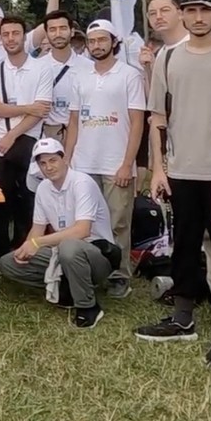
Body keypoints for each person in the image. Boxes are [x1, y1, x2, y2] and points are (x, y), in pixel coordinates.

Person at [135, 0, 211, 366]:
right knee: (184, 244)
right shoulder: (168, 58)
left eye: (206, 10)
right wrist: (158, 168)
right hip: (182, 169)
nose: (199, 17)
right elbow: (158, 119)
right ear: (183, 14)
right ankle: (183, 316)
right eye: (192, 10)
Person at [0, 138, 117, 328]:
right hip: (60, 252)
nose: (48, 167)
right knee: (8, 262)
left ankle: (88, 307)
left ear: (64, 159)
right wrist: (26, 249)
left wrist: (37, 244)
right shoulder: (44, 188)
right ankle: (66, 288)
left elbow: (82, 230)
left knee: (68, 247)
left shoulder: (82, 183)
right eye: (42, 163)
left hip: (97, 253)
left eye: (53, 160)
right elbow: (37, 230)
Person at [63, 20, 144, 299]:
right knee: (86, 222)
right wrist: (68, 160)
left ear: (113, 42)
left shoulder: (129, 75)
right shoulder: (80, 76)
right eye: (92, 41)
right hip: (84, 163)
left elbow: (137, 123)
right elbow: (73, 122)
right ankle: (91, 270)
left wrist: (127, 163)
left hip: (115, 163)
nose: (97, 46)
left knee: (118, 222)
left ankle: (119, 275)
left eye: (102, 40)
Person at [0, 15, 52, 270]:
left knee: (27, 202)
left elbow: (41, 110)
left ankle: (24, 256)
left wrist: (12, 134)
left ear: (24, 36)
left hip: (27, 142)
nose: (10, 39)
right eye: (6, 34)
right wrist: (25, 107)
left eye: (15, 33)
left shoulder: (42, 68)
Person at [39, 10, 93, 143]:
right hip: (48, 134)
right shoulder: (37, 67)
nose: (58, 34)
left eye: (63, 28)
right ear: (46, 34)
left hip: (83, 134)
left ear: (72, 31)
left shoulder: (90, 67)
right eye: (52, 30)